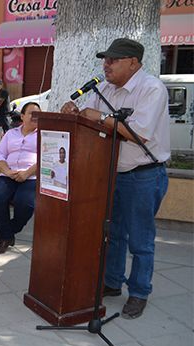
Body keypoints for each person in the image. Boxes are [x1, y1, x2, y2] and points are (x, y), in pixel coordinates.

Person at [61, 38, 170, 319]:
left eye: (113, 60)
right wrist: (73, 112)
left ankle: (139, 292)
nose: (106, 65)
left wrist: (99, 117)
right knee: (112, 233)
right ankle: (112, 282)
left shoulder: (151, 89)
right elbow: (88, 116)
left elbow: (138, 133)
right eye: (105, 59)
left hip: (144, 176)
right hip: (110, 174)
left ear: (134, 63)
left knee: (140, 240)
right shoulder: (106, 88)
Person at [0, 102, 41, 255]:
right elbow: (0, 155)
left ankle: (7, 232)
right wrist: (8, 171)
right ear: (22, 116)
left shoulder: (44, 135)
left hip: (31, 176)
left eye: (38, 114)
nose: (35, 116)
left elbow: (46, 158)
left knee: (25, 203)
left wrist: (27, 173)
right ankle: (6, 237)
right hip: (8, 174)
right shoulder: (11, 134)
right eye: (32, 113)